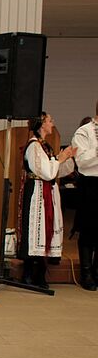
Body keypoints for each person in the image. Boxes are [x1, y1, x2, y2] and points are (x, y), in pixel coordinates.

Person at [18, 112, 76, 288]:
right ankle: (30, 273)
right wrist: (60, 158)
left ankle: (39, 273)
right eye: (50, 120)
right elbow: (47, 171)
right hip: (37, 191)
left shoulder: (45, 146)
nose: (53, 123)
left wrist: (66, 158)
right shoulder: (34, 146)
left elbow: (56, 170)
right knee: (37, 230)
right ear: (41, 124)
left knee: (46, 228)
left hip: (47, 191)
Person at [72, 102, 98, 291]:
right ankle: (86, 273)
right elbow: (81, 161)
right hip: (90, 184)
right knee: (89, 229)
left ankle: (97, 271)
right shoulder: (85, 131)